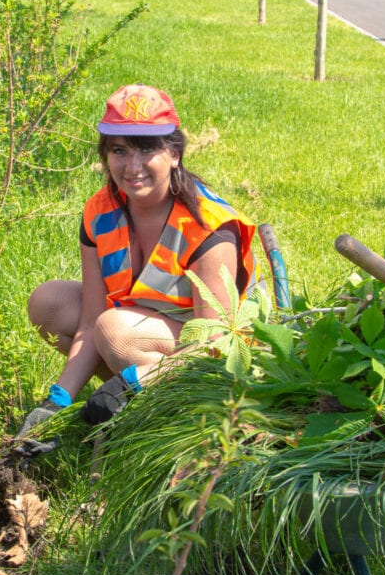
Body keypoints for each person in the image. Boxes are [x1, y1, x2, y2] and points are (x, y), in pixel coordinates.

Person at [17, 84, 260, 440]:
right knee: (49, 303)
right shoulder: (99, 211)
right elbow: (88, 321)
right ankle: (134, 400)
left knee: (115, 331)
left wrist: (133, 381)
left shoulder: (209, 227)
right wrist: (56, 403)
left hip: (212, 355)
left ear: (175, 153)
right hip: (141, 329)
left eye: (147, 149)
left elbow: (215, 345)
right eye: (119, 150)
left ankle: (162, 409)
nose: (132, 167)